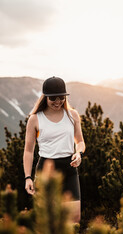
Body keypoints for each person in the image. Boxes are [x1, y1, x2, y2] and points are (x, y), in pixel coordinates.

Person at [23, 76, 85, 222]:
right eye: (53, 98)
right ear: (45, 97)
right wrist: (27, 177)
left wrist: (79, 153)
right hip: (46, 170)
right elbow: (28, 150)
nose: (58, 101)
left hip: (69, 169)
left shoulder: (72, 115)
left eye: (61, 97)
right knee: (48, 220)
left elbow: (80, 141)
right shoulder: (35, 119)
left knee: (74, 219)